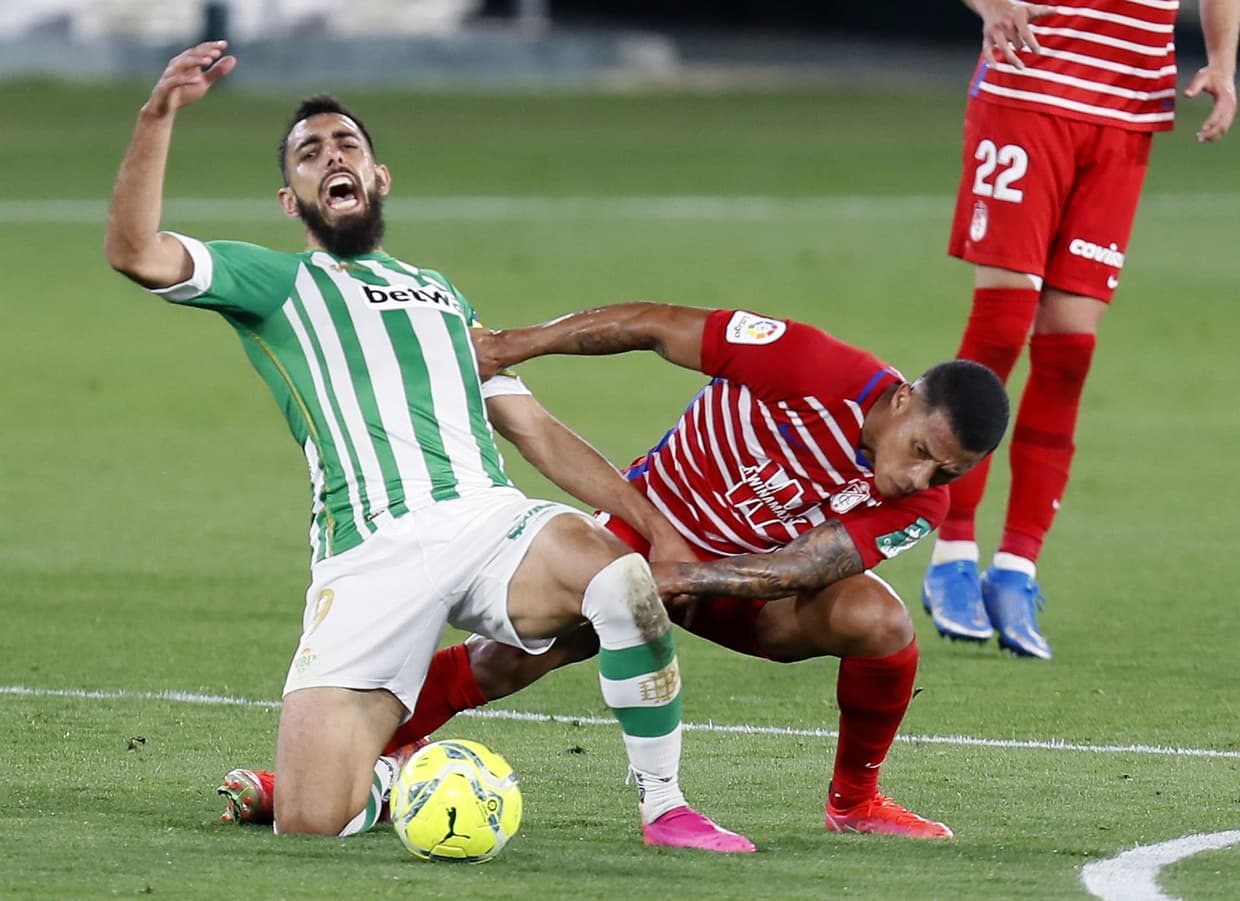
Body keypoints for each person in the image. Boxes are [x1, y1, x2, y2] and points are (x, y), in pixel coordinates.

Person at [104, 41, 754, 853]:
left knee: (620, 585)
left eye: (347, 146)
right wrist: (156, 114)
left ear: (378, 178)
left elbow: (533, 427)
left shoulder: (442, 295)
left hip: (484, 522)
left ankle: (666, 808)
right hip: (367, 551)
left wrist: (654, 527)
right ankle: (380, 783)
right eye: (310, 153)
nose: (331, 156)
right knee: (314, 821)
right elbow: (135, 251)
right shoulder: (275, 284)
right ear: (290, 197)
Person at [222, 302, 1010, 840]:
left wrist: (687, 578)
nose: (920, 482)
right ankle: (319, 777)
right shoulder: (810, 363)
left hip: (739, 584)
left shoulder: (922, 503)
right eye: (920, 454)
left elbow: (808, 564)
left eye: (945, 474)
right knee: (507, 661)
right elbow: (651, 325)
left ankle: (855, 799)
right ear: (903, 400)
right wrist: (511, 345)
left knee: (882, 622)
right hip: (642, 530)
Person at [922, 0, 1240, 658]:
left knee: (1070, 349)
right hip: (1029, 86)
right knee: (1002, 326)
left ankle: (1017, 569)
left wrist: (1223, 62)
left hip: (1127, 109)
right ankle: (951, 551)